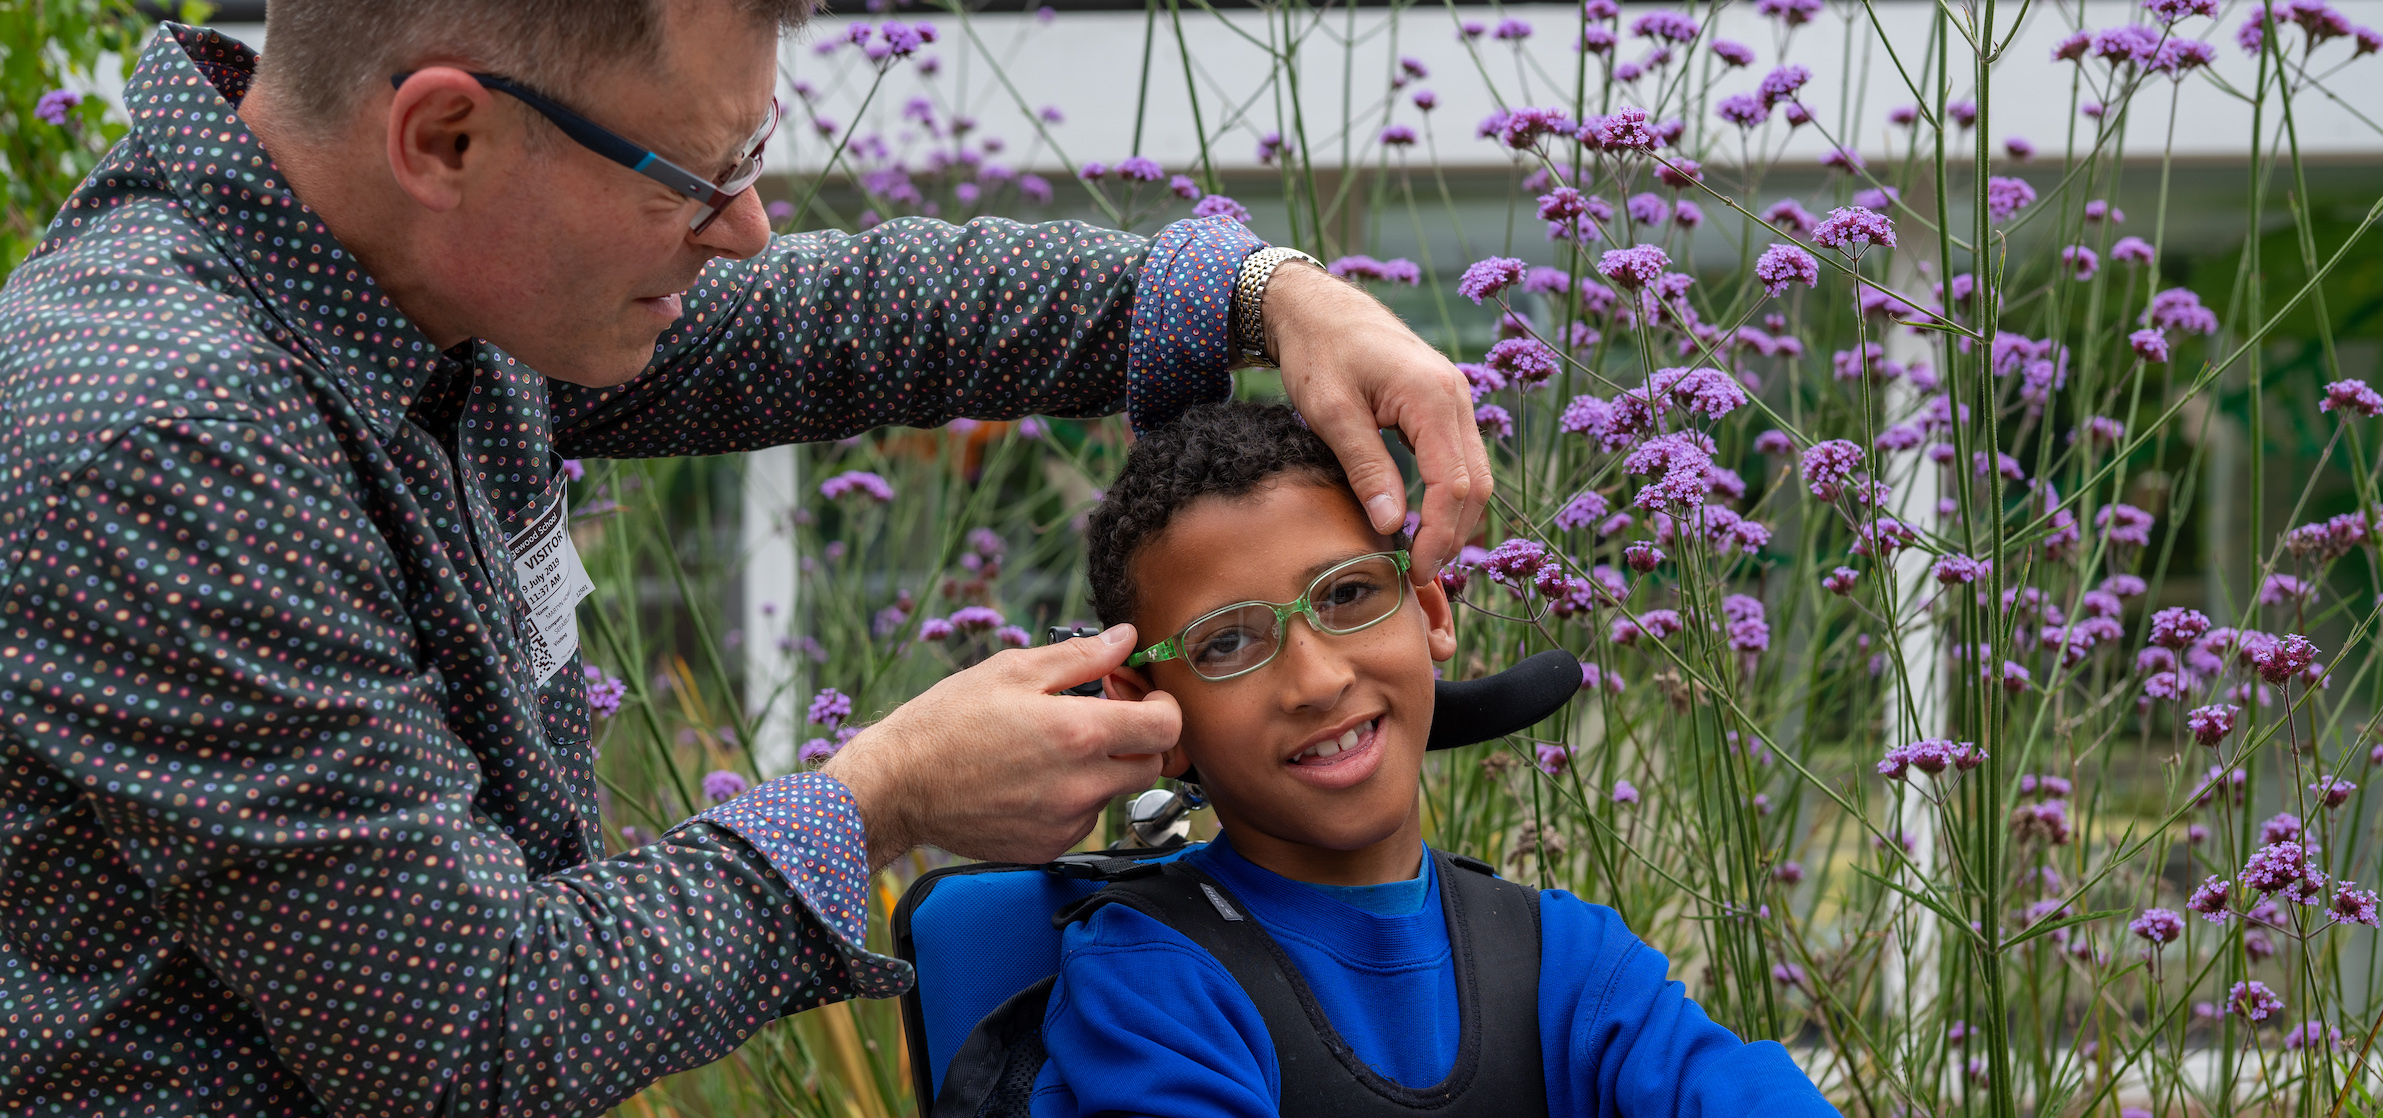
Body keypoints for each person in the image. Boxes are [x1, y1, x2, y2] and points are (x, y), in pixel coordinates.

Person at [0, 2, 1490, 1114]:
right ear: (444, 136)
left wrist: (1263, 294)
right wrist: (884, 796)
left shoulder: (412, 282)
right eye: (694, 177)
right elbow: (470, 1030)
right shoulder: (163, 432)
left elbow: (838, 321)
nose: (748, 228)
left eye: (754, 157)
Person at [1026, 401, 1839, 1118]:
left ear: (1428, 609)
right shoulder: (1150, 984)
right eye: (1227, 642)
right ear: (1145, 710)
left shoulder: (1568, 959)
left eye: (1346, 595)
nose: (1316, 679)